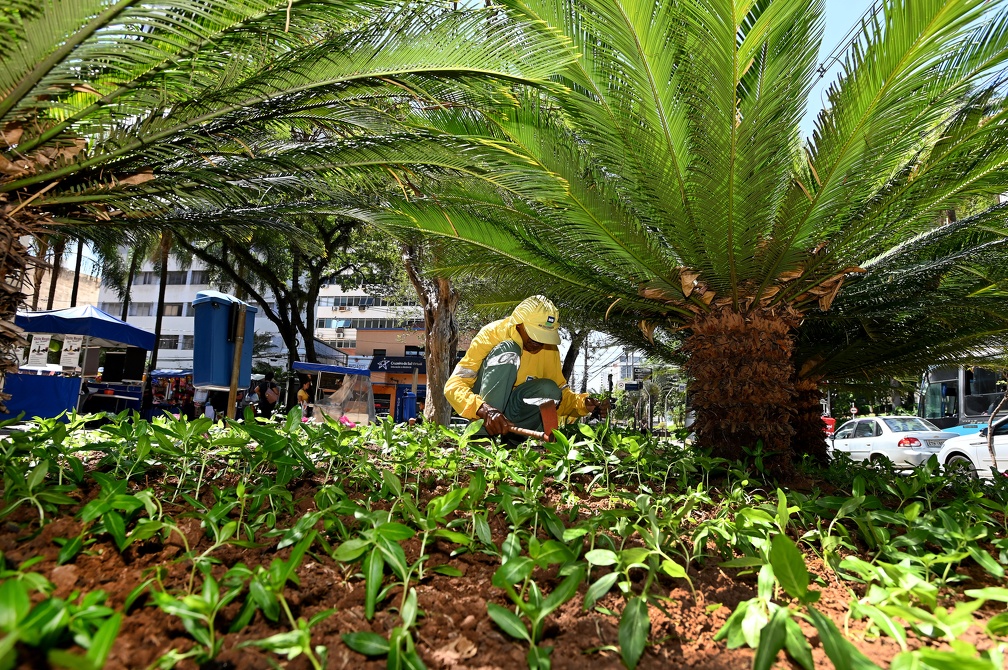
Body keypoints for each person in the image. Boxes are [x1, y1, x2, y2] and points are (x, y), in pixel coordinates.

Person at [445, 295, 604, 439]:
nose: (540, 342)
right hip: (485, 413)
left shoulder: (548, 349)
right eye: (535, 334)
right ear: (518, 323)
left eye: (545, 336)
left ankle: (515, 440)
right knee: (509, 350)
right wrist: (484, 409)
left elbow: (560, 395)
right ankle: (483, 437)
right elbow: (454, 385)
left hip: (517, 415)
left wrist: (584, 405)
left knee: (549, 388)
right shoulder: (491, 334)